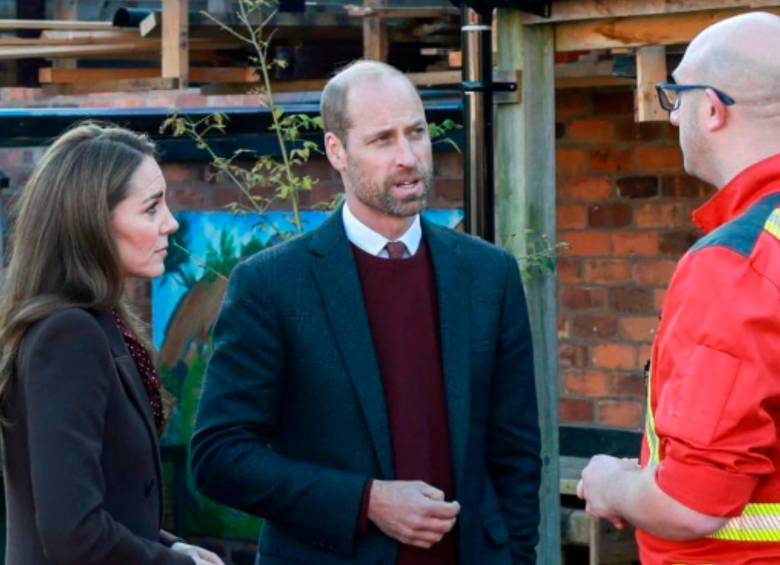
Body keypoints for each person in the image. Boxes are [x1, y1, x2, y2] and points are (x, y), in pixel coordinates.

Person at [191, 60, 541, 564]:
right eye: (382, 140)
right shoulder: (273, 284)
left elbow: (517, 454)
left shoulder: (489, 274)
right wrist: (366, 501)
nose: (409, 157)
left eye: (416, 133)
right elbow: (219, 456)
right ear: (337, 150)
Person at [578, 11, 780, 565]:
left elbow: (694, 503)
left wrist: (610, 484)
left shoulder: (736, 265)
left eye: (676, 98)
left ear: (712, 108)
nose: (673, 120)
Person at [0, 123, 224, 565]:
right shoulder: (68, 336)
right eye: (151, 208)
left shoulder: (96, 323)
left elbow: (109, 499)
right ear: (93, 222)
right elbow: (72, 532)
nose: (171, 223)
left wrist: (170, 545)